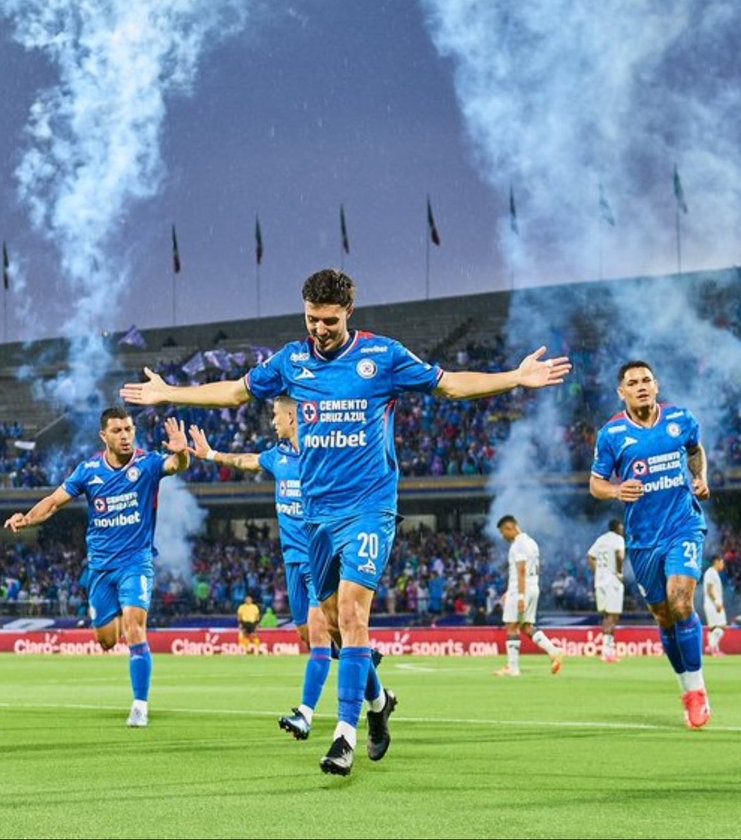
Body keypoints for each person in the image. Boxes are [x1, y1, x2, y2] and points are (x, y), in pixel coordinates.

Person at [121, 267, 570, 775]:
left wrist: (514, 377)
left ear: (348, 313)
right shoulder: (291, 361)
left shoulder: (383, 357)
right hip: (317, 515)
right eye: (312, 319)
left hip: (370, 508)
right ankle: (380, 704)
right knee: (333, 629)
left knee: (355, 616)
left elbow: (449, 386)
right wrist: (170, 393)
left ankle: (344, 735)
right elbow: (233, 393)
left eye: (329, 321)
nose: (319, 329)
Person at [186, 397, 388, 740]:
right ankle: (377, 692)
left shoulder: (322, 452)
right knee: (312, 636)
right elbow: (247, 461)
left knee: (322, 636)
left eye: (276, 415)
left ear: (292, 416)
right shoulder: (278, 456)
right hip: (292, 559)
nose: (273, 420)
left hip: (319, 555)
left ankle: (305, 714)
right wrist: (209, 454)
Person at [3, 406, 189, 727]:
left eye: (129, 429)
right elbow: (54, 501)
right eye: (118, 431)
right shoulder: (88, 471)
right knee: (106, 640)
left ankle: (140, 705)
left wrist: (182, 452)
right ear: (104, 436)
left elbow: (176, 465)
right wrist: (27, 518)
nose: (126, 435)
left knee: (135, 628)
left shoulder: (147, 463)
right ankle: (111, 619)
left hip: (136, 561)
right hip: (101, 567)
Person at [590, 360, 711, 728]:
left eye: (646, 380)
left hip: (683, 527)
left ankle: (698, 691)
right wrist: (616, 490)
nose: (641, 386)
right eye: (632, 382)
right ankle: (685, 687)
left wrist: (701, 477)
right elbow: (596, 485)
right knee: (663, 616)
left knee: (680, 601)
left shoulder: (681, 420)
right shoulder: (612, 435)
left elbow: (695, 450)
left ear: (656, 386)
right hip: (643, 540)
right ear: (621, 392)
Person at [494, 515, 563, 676]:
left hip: (521, 589)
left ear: (509, 527)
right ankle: (553, 650)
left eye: (503, 532)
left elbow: (521, 569)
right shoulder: (532, 543)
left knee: (511, 626)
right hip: (533, 587)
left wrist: (519, 596)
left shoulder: (518, 545)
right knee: (526, 626)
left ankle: (513, 668)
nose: (503, 537)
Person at [587, 519, 625, 662]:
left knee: (606, 616)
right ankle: (608, 652)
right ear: (617, 528)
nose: (622, 530)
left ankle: (606, 650)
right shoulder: (618, 539)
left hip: (600, 582)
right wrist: (620, 572)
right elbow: (619, 555)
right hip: (612, 582)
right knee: (613, 616)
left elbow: (590, 556)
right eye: (621, 527)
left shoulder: (601, 539)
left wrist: (597, 572)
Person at [702, 554, 727, 656]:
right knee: (721, 626)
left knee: (715, 628)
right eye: (722, 562)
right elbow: (710, 590)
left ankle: (714, 649)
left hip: (713, 604)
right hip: (712, 604)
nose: (723, 565)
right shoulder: (710, 573)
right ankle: (711, 647)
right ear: (717, 561)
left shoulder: (714, 573)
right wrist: (717, 603)